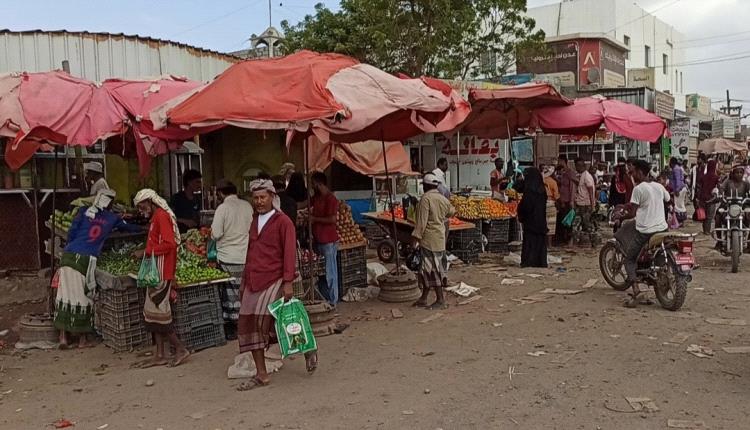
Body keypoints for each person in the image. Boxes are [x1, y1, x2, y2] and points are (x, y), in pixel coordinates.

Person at [236, 179, 317, 390]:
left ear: (272, 197)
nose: (259, 202)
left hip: (275, 278)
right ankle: (261, 374)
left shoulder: (283, 222)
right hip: (254, 279)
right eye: (256, 198)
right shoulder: (254, 221)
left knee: (282, 322)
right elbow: (250, 253)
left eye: (263, 197)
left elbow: (289, 253)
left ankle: (307, 349)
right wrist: (244, 281)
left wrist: (288, 282)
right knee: (250, 325)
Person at [53, 190, 140, 348]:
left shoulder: (83, 211)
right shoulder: (112, 218)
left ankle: (63, 337)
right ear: (110, 204)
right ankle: (82, 340)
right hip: (86, 259)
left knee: (64, 295)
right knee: (84, 296)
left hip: (68, 255)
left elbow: (72, 231)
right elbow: (130, 229)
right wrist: (145, 228)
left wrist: (70, 248)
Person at [133, 189, 190, 368]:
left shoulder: (161, 216)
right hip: (156, 272)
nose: (141, 210)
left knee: (160, 315)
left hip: (161, 272)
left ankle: (180, 349)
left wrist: (146, 251)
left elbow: (169, 244)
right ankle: (159, 354)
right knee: (152, 316)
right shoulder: (156, 217)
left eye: (142, 206)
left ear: (150, 202)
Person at [613, 160, 670, 308]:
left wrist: (621, 217)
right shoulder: (658, 186)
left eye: (633, 171)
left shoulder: (639, 189)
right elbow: (668, 199)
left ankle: (637, 291)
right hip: (662, 228)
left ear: (639, 172)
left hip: (646, 231)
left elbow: (632, 213)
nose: (632, 174)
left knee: (629, 260)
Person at [211, 180, 253, 340]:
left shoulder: (223, 208)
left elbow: (215, 234)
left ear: (221, 193)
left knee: (230, 295)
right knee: (243, 291)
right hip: (245, 255)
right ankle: (247, 324)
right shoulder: (247, 206)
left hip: (228, 257)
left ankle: (236, 327)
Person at [411, 173, 456, 310]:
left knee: (432, 270)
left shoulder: (425, 199)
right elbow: (452, 211)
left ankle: (440, 300)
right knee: (428, 269)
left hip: (429, 241)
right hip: (440, 239)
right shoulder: (442, 198)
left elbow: (421, 223)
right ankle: (424, 298)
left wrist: (415, 238)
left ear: (425, 186)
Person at [310, 171, 340, 306]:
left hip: (329, 241)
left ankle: (333, 300)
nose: (312, 186)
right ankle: (325, 298)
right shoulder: (316, 198)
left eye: (313, 184)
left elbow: (332, 219)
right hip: (318, 240)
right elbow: (305, 203)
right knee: (321, 272)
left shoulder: (331, 199)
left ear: (319, 184)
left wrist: (314, 219)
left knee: (330, 272)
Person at [518, 167, 549, 268]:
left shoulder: (529, 191)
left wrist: (520, 212)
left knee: (530, 243)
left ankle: (529, 262)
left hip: (530, 221)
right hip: (540, 221)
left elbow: (526, 206)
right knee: (540, 242)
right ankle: (540, 261)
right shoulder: (542, 190)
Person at [572, 158, 597, 246]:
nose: (576, 168)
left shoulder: (586, 176)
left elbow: (591, 191)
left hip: (586, 205)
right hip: (581, 204)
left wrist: (592, 205)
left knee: (586, 225)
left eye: (577, 166)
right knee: (580, 225)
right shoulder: (583, 175)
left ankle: (593, 242)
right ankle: (581, 243)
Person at [170, 169, 203, 233]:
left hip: (195, 234)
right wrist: (185, 221)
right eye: (197, 182)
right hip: (180, 234)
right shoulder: (177, 198)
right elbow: (169, 217)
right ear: (189, 182)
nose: (200, 185)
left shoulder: (197, 198)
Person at [555, 155, 576, 245]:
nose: (558, 163)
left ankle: (568, 238)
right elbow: (561, 184)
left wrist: (571, 200)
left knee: (567, 221)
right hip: (561, 199)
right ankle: (563, 238)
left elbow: (572, 187)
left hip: (567, 200)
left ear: (563, 161)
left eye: (559, 161)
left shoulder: (570, 173)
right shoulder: (563, 173)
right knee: (561, 220)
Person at [697, 159, 720, 235]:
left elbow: (699, 187)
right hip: (711, 199)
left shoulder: (703, 177)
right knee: (709, 216)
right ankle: (707, 231)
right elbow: (719, 187)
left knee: (704, 215)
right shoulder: (716, 177)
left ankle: (705, 229)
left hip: (703, 198)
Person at [541, 165, 559, 244]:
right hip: (551, 203)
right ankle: (549, 244)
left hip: (541, 204)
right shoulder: (553, 182)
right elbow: (556, 196)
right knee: (551, 225)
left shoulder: (540, 180)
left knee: (543, 223)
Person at [669, 158, 687, 224]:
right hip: (682, 188)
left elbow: (677, 180)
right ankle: (681, 220)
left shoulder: (675, 169)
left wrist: (677, 190)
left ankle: (680, 221)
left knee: (677, 206)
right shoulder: (679, 168)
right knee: (681, 205)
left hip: (679, 189)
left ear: (672, 163)